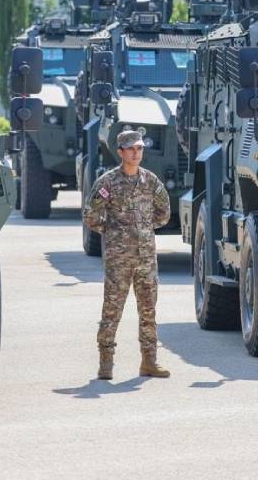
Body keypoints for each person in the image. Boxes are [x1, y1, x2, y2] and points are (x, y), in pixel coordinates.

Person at [82, 130, 172, 380]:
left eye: (139, 148)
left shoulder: (150, 181)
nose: (136, 153)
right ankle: (106, 363)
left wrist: (144, 229)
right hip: (119, 259)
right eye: (131, 149)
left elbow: (164, 213)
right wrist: (113, 231)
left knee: (148, 311)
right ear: (120, 152)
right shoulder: (108, 182)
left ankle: (149, 362)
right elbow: (90, 215)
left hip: (146, 258)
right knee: (112, 310)